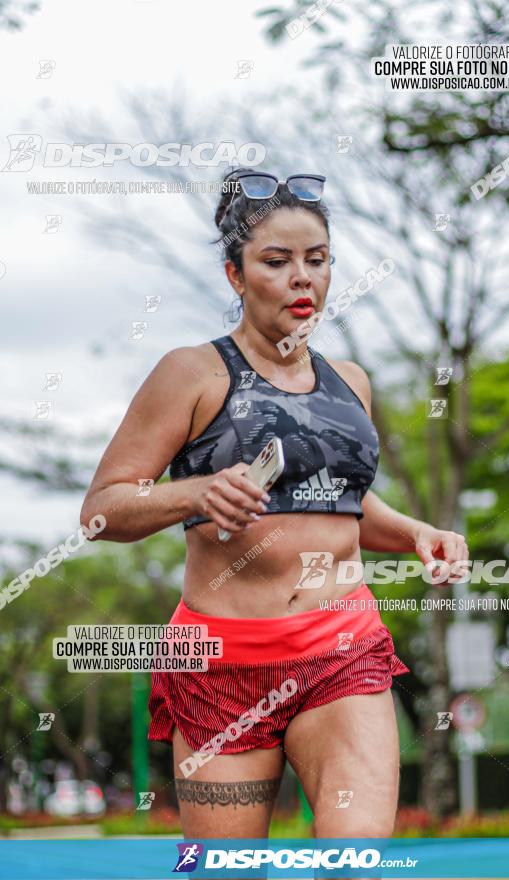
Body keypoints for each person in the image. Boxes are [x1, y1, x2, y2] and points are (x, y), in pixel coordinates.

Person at [80, 167, 468, 839]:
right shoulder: (192, 373)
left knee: (352, 863)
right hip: (220, 664)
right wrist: (194, 492)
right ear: (235, 274)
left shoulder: (350, 383)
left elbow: (341, 505)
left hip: (340, 648)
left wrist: (414, 533)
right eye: (276, 261)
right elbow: (101, 511)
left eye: (317, 261)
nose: (303, 278)